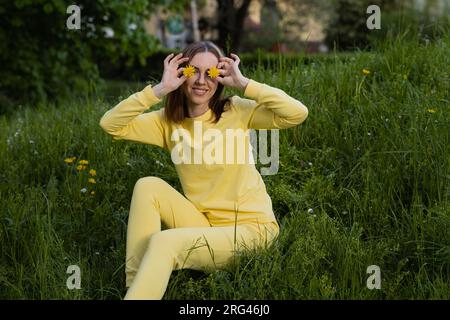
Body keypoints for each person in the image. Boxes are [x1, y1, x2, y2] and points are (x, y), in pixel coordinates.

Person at [99, 41, 309, 300]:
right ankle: (135, 289)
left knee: (165, 242)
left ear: (220, 78)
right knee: (147, 185)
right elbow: (111, 125)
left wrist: (245, 84)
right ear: (181, 74)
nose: (201, 80)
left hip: (252, 231)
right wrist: (160, 89)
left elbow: (297, 113)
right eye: (192, 71)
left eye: (210, 73)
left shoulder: (237, 111)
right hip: (206, 225)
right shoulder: (168, 122)